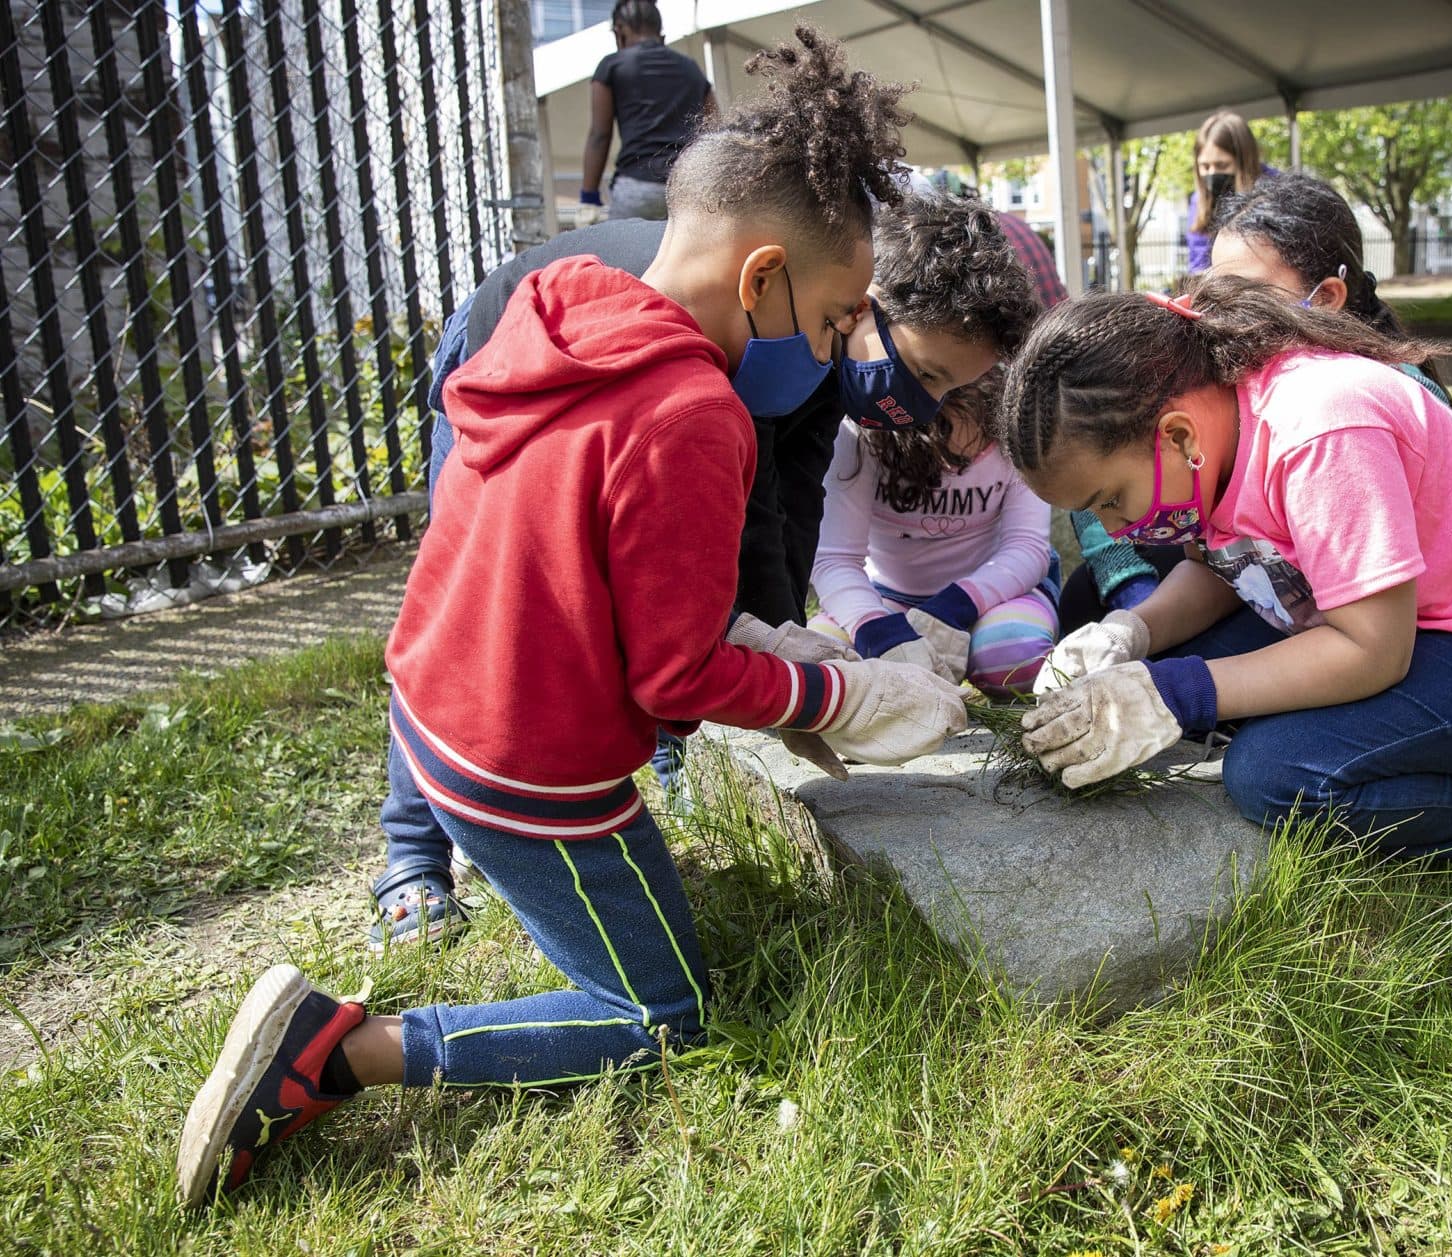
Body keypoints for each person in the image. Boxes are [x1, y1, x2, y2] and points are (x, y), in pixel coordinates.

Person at [176, 27, 968, 1205]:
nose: (836, 347)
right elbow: (675, 679)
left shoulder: (566, 300)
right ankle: (337, 1052)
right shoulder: (694, 412)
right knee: (659, 1014)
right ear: (761, 278)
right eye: (836, 315)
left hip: (435, 713)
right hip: (529, 776)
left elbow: (594, 565)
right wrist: (841, 691)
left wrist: (771, 639)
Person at [359, 191, 1032, 951]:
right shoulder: (747, 319)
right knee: (473, 612)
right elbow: (717, 513)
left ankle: (662, 753)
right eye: (926, 371)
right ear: (857, 300)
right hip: (507, 355)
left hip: (648, 414)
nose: (924, 406)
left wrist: (784, 654)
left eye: (947, 391)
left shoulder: (803, 346)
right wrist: (793, 686)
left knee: (661, 607)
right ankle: (414, 851)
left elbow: (779, 501)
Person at [993, 273, 1452, 992]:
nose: (1109, 529)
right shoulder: (1212, 431)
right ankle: (1428, 753)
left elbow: (1373, 650)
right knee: (1187, 680)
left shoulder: (1320, 429)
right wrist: (1130, 631)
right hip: (1399, 622)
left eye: (1109, 499)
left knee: (1276, 774)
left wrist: (1183, 691)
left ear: (1175, 434)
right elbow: (1226, 570)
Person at [1057, 171, 1452, 636]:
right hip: (1276, 579)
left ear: (1325, 298)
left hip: (1362, 607)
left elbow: (1371, 633)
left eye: (1245, 297)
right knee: (1086, 596)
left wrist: (1191, 679)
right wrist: (1131, 602)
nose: (1218, 316)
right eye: (1213, 292)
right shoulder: (1240, 379)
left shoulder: (1350, 407)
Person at [811, 370, 1058, 699]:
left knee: (1015, 657)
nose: (955, 469)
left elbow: (1027, 547)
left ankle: (975, 659)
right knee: (818, 661)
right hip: (887, 596)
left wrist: (954, 607)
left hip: (994, 594)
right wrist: (874, 629)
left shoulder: (1014, 429)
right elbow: (835, 559)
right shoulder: (859, 434)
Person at [578, 0, 714, 223]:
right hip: (686, 189)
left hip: (637, 187)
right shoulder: (691, 68)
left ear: (620, 31)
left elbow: (600, 135)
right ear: (660, 35)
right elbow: (712, 130)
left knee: (622, 257)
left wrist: (589, 196)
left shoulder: (612, 66)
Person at [1184, 111, 1268, 273]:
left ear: (1244, 161)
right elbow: (1198, 262)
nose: (1212, 173)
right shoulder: (1199, 200)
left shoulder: (1276, 191)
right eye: (1205, 166)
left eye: (1222, 165)